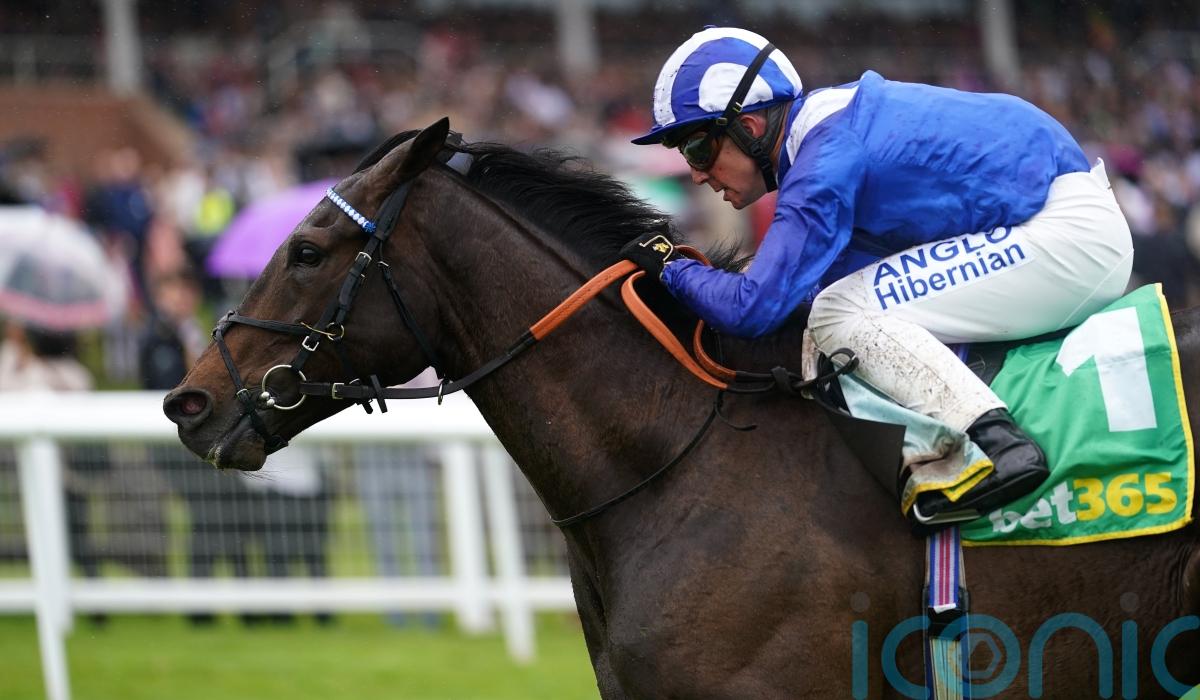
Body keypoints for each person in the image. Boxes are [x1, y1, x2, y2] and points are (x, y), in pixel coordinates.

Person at [624, 27, 1134, 522]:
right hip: (1058, 219)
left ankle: (996, 444)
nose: (696, 173)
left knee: (838, 311)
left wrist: (672, 268)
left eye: (697, 148)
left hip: (1067, 235)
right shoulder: (824, 132)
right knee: (837, 304)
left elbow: (752, 308)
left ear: (750, 127)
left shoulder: (826, 158)